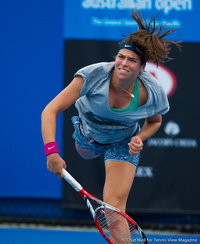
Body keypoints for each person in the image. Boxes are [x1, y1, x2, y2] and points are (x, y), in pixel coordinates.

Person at [41, 9, 181, 214]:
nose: (124, 63)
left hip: (123, 142)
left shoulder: (152, 91)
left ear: (142, 68)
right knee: (88, 152)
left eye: (132, 60)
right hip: (87, 139)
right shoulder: (92, 76)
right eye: (121, 56)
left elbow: (155, 121)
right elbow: (50, 111)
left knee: (114, 208)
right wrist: (51, 153)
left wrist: (139, 138)